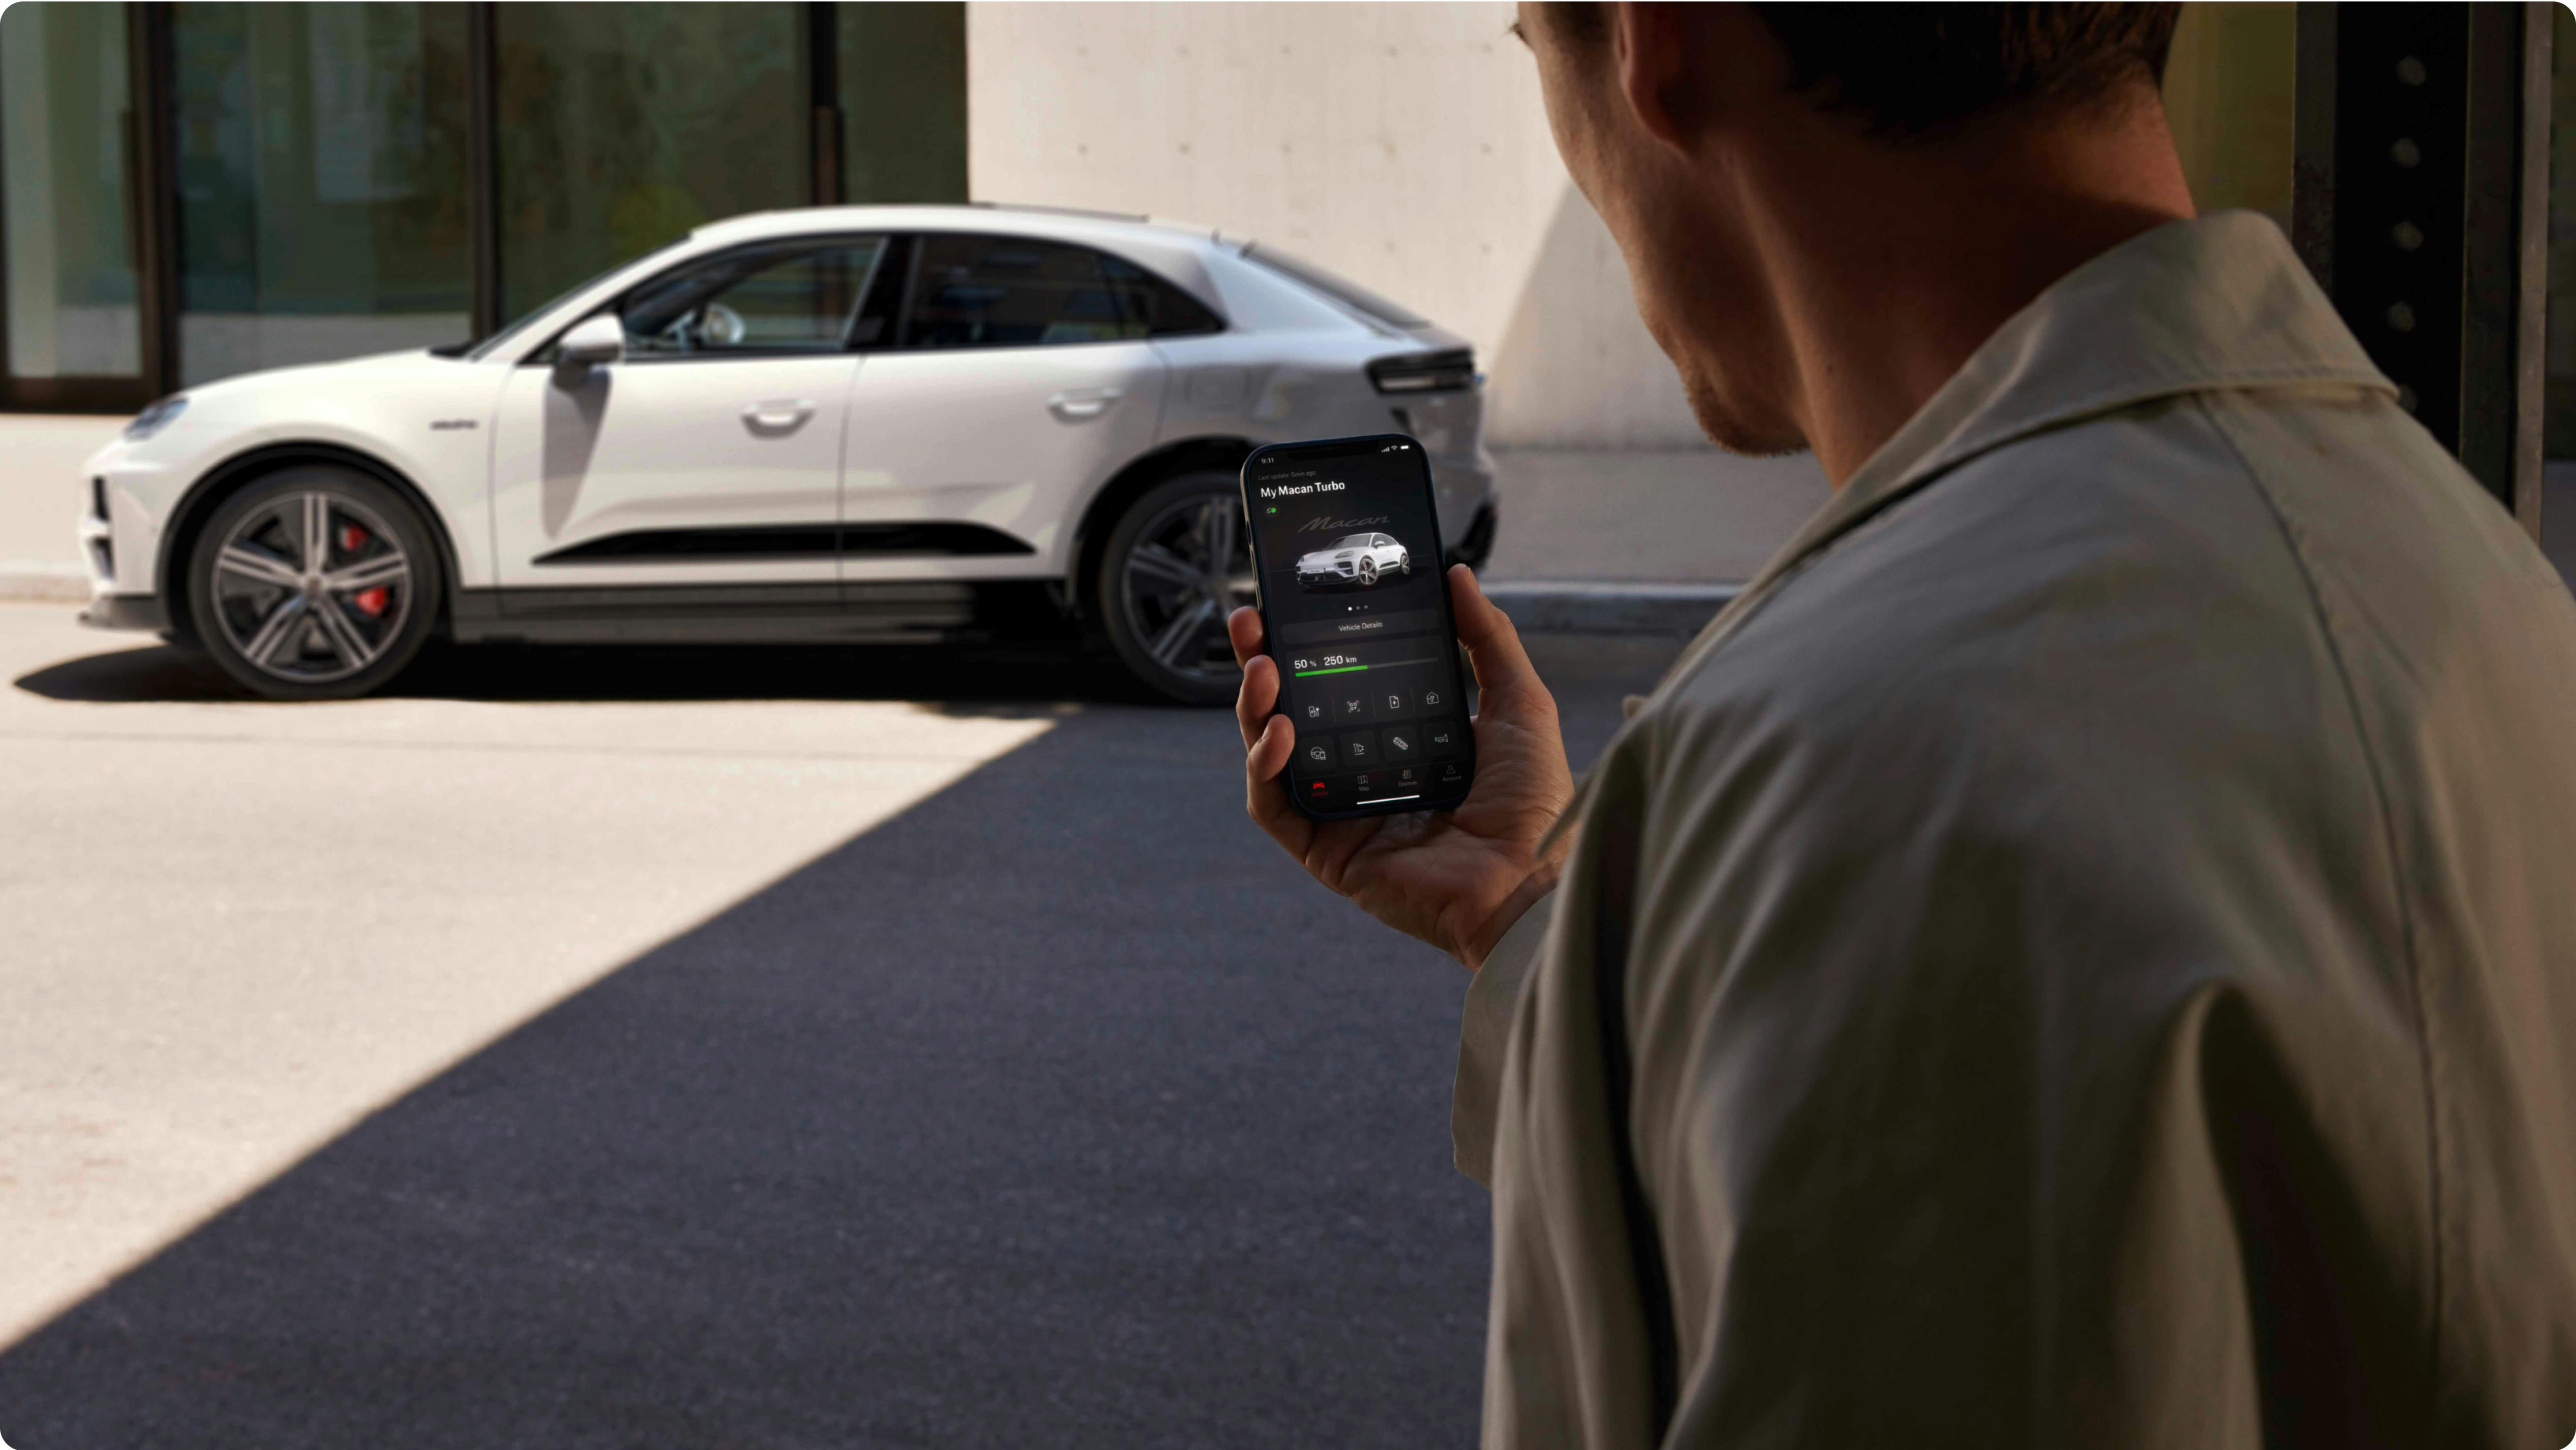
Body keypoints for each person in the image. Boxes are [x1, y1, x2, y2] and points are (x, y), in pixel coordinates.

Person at [1226, 4, 2576, 1446]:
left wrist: (1667, 903)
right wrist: (1546, 926)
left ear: (1652, 43)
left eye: (1529, 43)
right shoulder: (2483, 590)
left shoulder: (1835, 782)